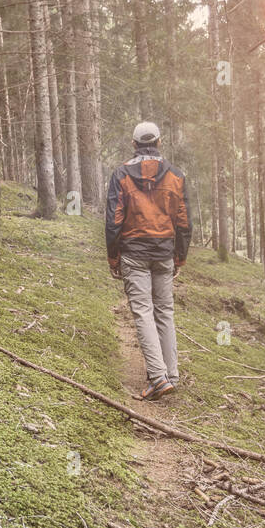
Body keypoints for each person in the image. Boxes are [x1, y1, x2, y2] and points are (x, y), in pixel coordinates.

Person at [105, 121, 192, 400]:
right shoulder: (176, 175)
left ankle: (157, 377)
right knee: (164, 312)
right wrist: (180, 256)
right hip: (164, 252)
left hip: (134, 253)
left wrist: (113, 256)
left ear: (134, 144)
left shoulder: (121, 174)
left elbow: (113, 221)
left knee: (143, 311)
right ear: (159, 142)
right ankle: (171, 374)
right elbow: (183, 221)